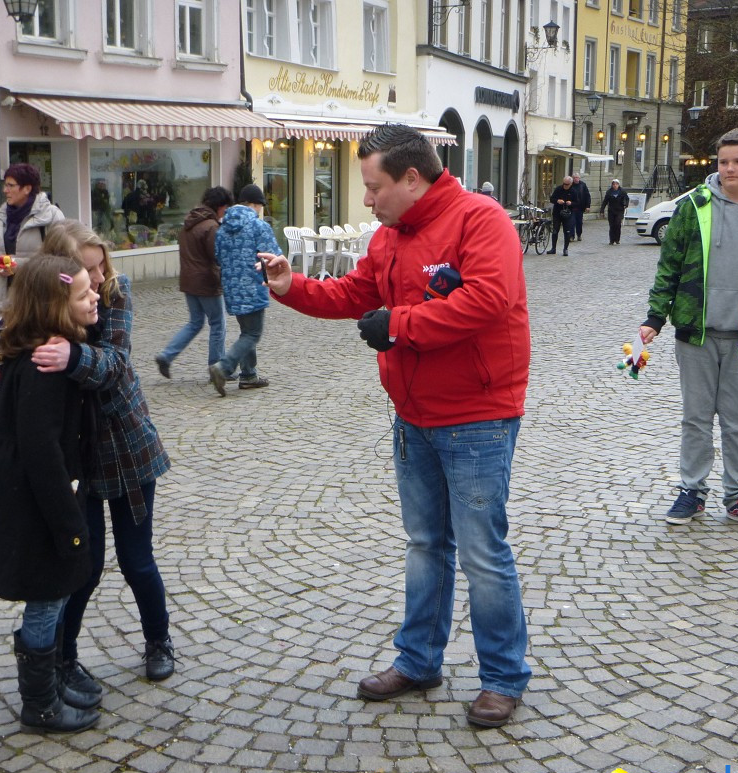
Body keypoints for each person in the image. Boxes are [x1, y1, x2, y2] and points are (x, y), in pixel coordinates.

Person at [260, 124, 531, 729]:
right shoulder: (389, 236)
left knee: (484, 554)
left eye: (373, 185)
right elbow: (357, 293)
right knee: (425, 546)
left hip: (477, 417)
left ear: (412, 177)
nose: (366, 200)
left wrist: (400, 325)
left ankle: (504, 678)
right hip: (414, 416)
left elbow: (489, 299)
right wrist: (291, 286)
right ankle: (418, 661)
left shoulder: (479, 219)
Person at [0, 253, 101, 734]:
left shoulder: (49, 346)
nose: (96, 295)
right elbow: (42, 455)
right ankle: (39, 703)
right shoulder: (43, 366)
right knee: (48, 595)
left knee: (55, 593)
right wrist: (69, 523)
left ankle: (50, 685)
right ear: (54, 307)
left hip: (39, 492)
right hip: (34, 500)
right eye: (83, 294)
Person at [31, 221, 175, 686]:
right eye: (86, 270)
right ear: (60, 272)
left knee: (137, 560)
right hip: (79, 458)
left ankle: (158, 640)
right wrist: (0, 368)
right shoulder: (46, 300)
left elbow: (114, 362)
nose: (96, 278)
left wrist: (72, 359)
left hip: (125, 442)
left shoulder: (115, 291)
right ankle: (64, 658)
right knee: (83, 567)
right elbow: (18, 349)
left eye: (100, 266)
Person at [640, 128, 738, 532]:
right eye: (723, 161)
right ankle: (692, 491)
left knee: (737, 421)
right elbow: (669, 267)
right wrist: (654, 318)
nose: (729, 168)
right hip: (695, 332)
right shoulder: (694, 206)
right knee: (695, 419)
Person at [208, 184, 282, 397]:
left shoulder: (222, 228)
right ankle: (223, 367)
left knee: (246, 331)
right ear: (253, 204)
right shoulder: (258, 227)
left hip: (232, 289)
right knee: (252, 333)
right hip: (253, 286)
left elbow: (218, 257)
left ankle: (249, 375)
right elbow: (274, 255)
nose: (260, 210)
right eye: (260, 205)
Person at [155, 186, 234, 380]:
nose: (225, 213)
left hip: (188, 280)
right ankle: (216, 368)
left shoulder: (188, 223)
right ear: (220, 206)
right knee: (217, 324)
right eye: (225, 208)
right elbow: (217, 256)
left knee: (195, 322)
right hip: (206, 281)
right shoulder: (211, 226)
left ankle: (166, 355)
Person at [0, 163, 64, 312]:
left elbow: (61, 258)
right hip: (8, 299)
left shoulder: (51, 215)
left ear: (27, 189)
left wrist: (18, 265)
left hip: (39, 300)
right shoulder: (3, 216)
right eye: (5, 185)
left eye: (10, 186)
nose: (5, 190)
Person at [549, 176, 577, 256]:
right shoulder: (558, 189)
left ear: (571, 184)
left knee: (567, 231)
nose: (565, 186)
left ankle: (565, 249)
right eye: (564, 184)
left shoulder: (573, 191)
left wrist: (571, 203)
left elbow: (578, 203)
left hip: (568, 214)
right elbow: (552, 199)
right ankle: (553, 248)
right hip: (557, 212)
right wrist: (557, 201)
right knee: (555, 230)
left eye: (567, 184)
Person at [600, 179, 630, 245]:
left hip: (619, 210)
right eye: (613, 184)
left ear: (618, 185)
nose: (615, 185)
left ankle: (617, 239)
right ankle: (611, 240)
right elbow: (605, 201)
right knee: (612, 225)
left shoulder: (622, 191)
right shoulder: (609, 192)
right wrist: (602, 210)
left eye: (616, 184)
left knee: (617, 224)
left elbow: (627, 198)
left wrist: (626, 204)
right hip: (611, 210)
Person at [571, 173, 591, 241]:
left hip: (580, 207)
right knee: (572, 222)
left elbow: (587, 196)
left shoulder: (583, 185)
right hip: (572, 207)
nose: (576, 179)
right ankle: (571, 236)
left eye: (577, 177)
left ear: (579, 178)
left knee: (579, 222)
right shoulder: (570, 185)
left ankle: (579, 234)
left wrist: (587, 206)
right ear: (572, 178)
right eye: (574, 177)